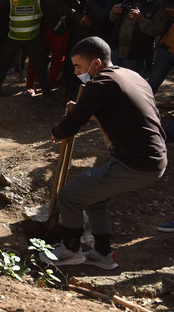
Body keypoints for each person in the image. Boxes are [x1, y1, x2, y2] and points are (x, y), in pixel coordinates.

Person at [40, 37, 166, 270]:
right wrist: (84, 110)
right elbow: (122, 112)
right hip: (152, 157)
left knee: (69, 196)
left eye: (78, 67)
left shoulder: (100, 84)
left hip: (135, 162)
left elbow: (73, 123)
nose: (77, 72)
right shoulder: (130, 75)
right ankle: (103, 254)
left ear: (96, 63)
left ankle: (70, 250)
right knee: (95, 199)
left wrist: (56, 131)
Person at [109, 0, 167, 74]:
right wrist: (114, 11)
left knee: (128, 85)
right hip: (117, 49)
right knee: (110, 80)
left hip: (135, 55)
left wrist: (141, 19)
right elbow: (113, 18)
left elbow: (157, 30)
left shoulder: (159, 5)